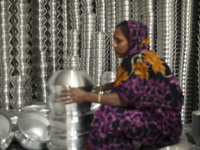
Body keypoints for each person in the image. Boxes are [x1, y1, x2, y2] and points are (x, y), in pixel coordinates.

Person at [60, 20, 184, 150]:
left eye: (118, 41)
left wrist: (86, 96)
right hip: (170, 123)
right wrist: (102, 88)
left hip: (163, 127)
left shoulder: (136, 61)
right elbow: (133, 86)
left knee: (108, 115)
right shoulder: (147, 56)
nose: (113, 44)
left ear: (132, 41)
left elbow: (124, 99)